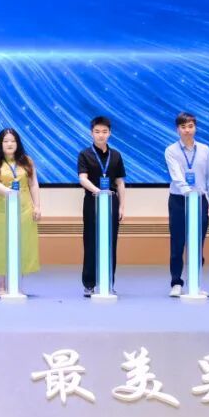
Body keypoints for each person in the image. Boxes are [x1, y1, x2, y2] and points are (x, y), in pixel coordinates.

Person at [164, 112, 209, 297]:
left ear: (195, 128)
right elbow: (176, 176)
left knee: (197, 244)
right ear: (177, 130)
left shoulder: (205, 150)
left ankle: (196, 282)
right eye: (183, 127)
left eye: (190, 126)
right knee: (177, 243)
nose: (187, 130)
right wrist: (188, 192)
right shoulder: (171, 150)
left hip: (200, 200)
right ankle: (176, 283)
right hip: (179, 200)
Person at [0, 128, 41, 296]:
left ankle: (17, 285)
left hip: (23, 208)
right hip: (0, 208)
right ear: (0, 144)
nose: (9, 144)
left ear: (18, 143)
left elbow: (33, 184)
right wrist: (8, 192)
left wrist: (37, 206)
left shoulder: (27, 161)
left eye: (13, 141)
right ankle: (1, 286)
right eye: (6, 141)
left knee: (22, 243)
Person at [77, 116, 126, 297]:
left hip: (111, 201)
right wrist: (99, 192)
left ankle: (108, 283)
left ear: (109, 133)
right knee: (91, 241)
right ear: (92, 133)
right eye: (97, 132)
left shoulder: (116, 155)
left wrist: (121, 206)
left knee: (110, 242)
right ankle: (89, 283)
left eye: (104, 132)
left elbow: (120, 183)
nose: (101, 135)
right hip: (92, 201)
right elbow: (82, 179)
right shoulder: (85, 154)